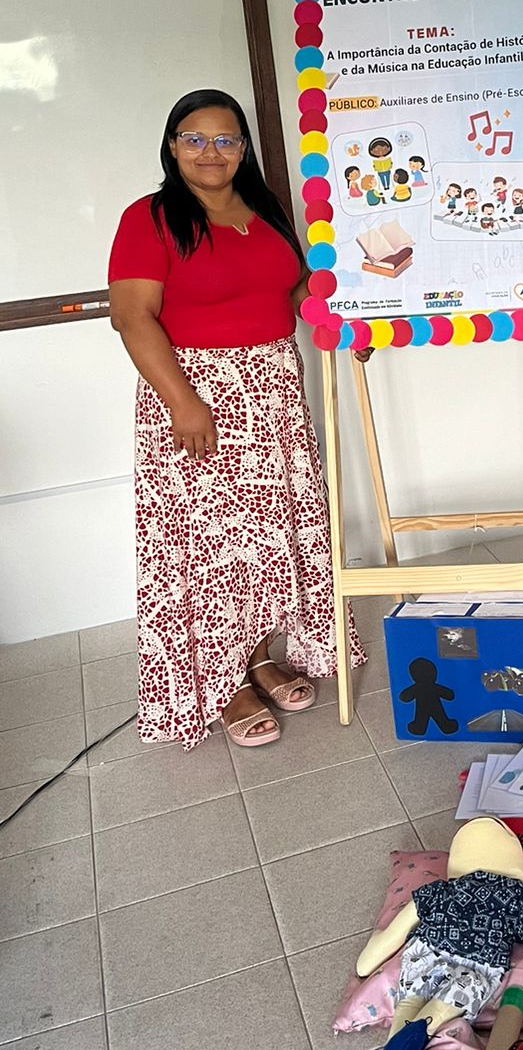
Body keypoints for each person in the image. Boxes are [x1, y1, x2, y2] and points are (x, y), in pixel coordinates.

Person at [108, 89, 364, 750]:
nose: (210, 152)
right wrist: (184, 402)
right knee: (209, 551)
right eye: (194, 139)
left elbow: (298, 287)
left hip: (275, 397)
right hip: (199, 399)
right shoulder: (150, 218)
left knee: (266, 540)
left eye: (225, 140)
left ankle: (256, 656)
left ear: (243, 148)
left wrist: (340, 328)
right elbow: (133, 316)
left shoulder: (266, 209)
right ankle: (223, 686)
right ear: (171, 146)